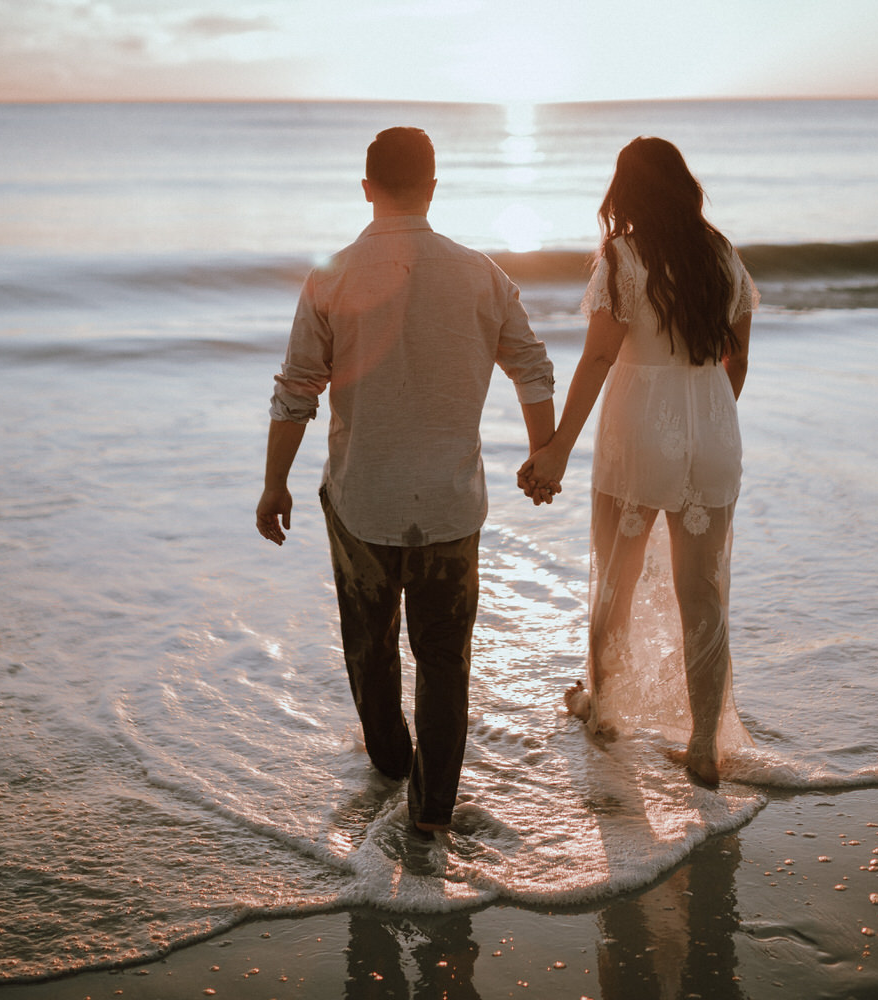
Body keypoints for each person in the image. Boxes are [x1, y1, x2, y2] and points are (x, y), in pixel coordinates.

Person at [257, 127, 555, 834]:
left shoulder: (331, 274)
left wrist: (275, 483)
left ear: (366, 188)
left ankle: (389, 766)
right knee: (444, 658)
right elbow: (534, 368)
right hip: (451, 503)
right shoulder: (481, 273)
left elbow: (297, 389)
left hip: (362, 496)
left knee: (369, 643)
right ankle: (431, 815)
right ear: (431, 186)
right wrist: (542, 454)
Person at [518, 137, 758, 786]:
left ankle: (604, 710)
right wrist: (704, 417)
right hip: (712, 433)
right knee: (702, 596)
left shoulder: (621, 257)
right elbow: (736, 358)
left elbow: (598, 359)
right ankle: (705, 744)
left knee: (614, 585)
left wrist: (556, 448)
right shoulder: (721, 255)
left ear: (625, 192)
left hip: (637, 434)